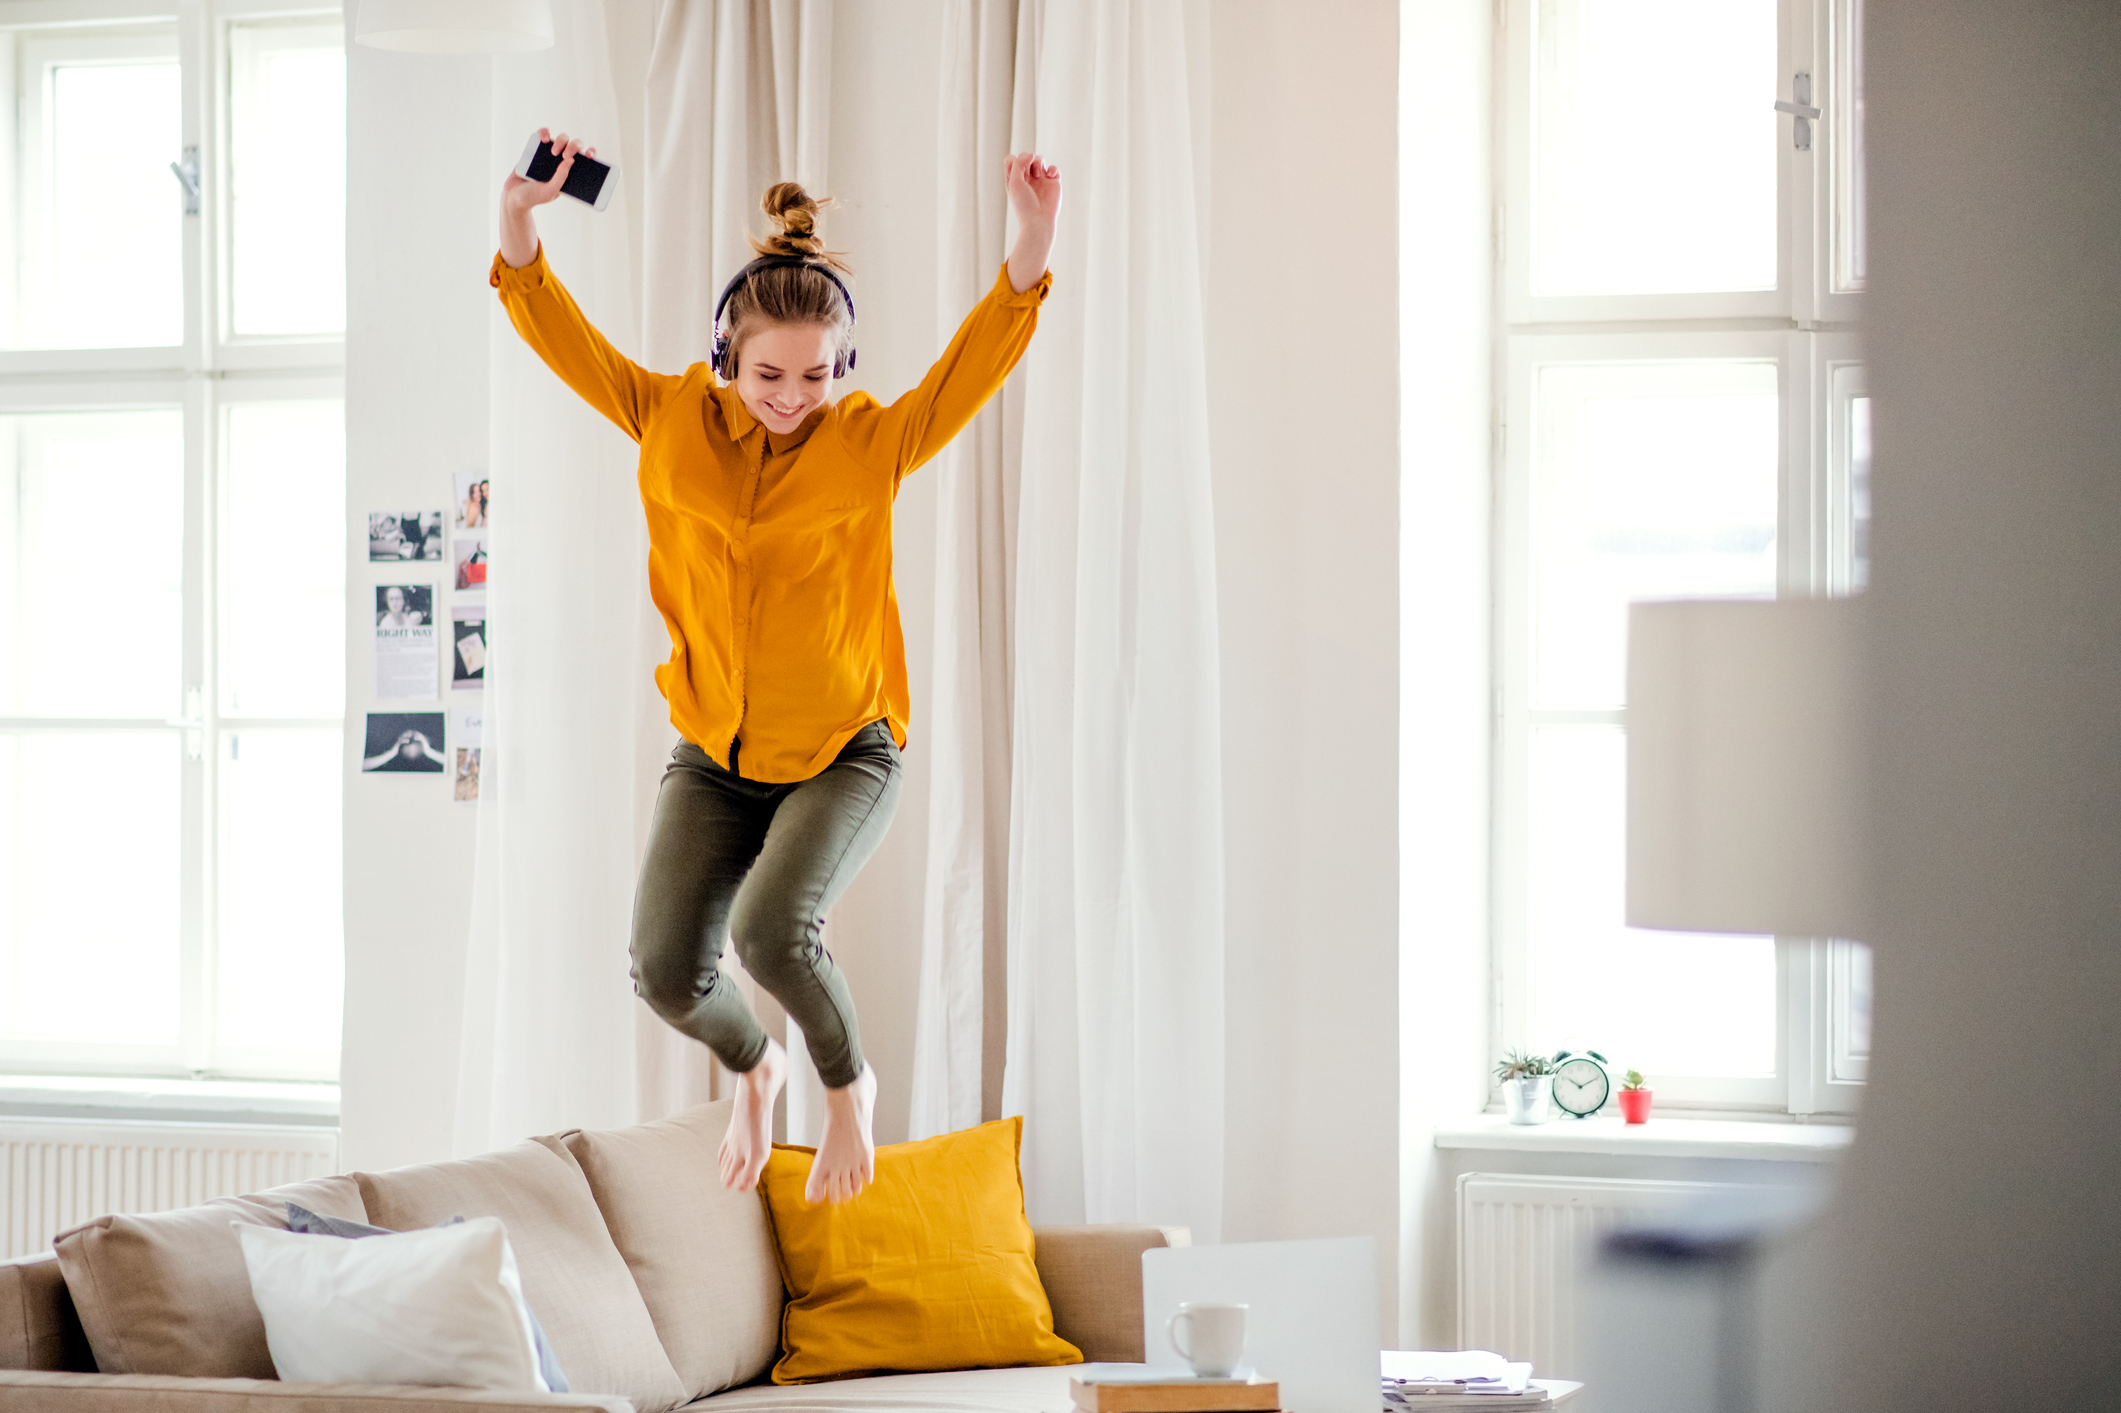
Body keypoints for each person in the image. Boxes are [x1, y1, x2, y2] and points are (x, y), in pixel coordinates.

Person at [493, 128, 1061, 1204]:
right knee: (663, 970)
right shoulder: (665, 418)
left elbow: (975, 361)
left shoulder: (870, 443)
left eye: (814, 375)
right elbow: (559, 334)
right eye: (767, 373)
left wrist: (1030, 243)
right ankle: (757, 1064)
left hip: (846, 751)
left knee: (768, 931)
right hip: (714, 752)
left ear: (840, 369)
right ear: (724, 355)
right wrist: (519, 220)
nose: (790, 395)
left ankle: (850, 1088)